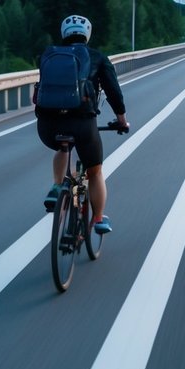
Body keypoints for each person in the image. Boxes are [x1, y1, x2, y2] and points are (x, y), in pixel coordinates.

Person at [35, 15, 129, 235]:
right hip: (82, 124)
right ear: (87, 33)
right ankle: (98, 219)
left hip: (47, 126)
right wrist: (122, 121)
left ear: (63, 33)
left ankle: (57, 188)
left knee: (62, 146)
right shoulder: (96, 57)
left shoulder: (49, 55)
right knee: (94, 172)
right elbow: (114, 92)